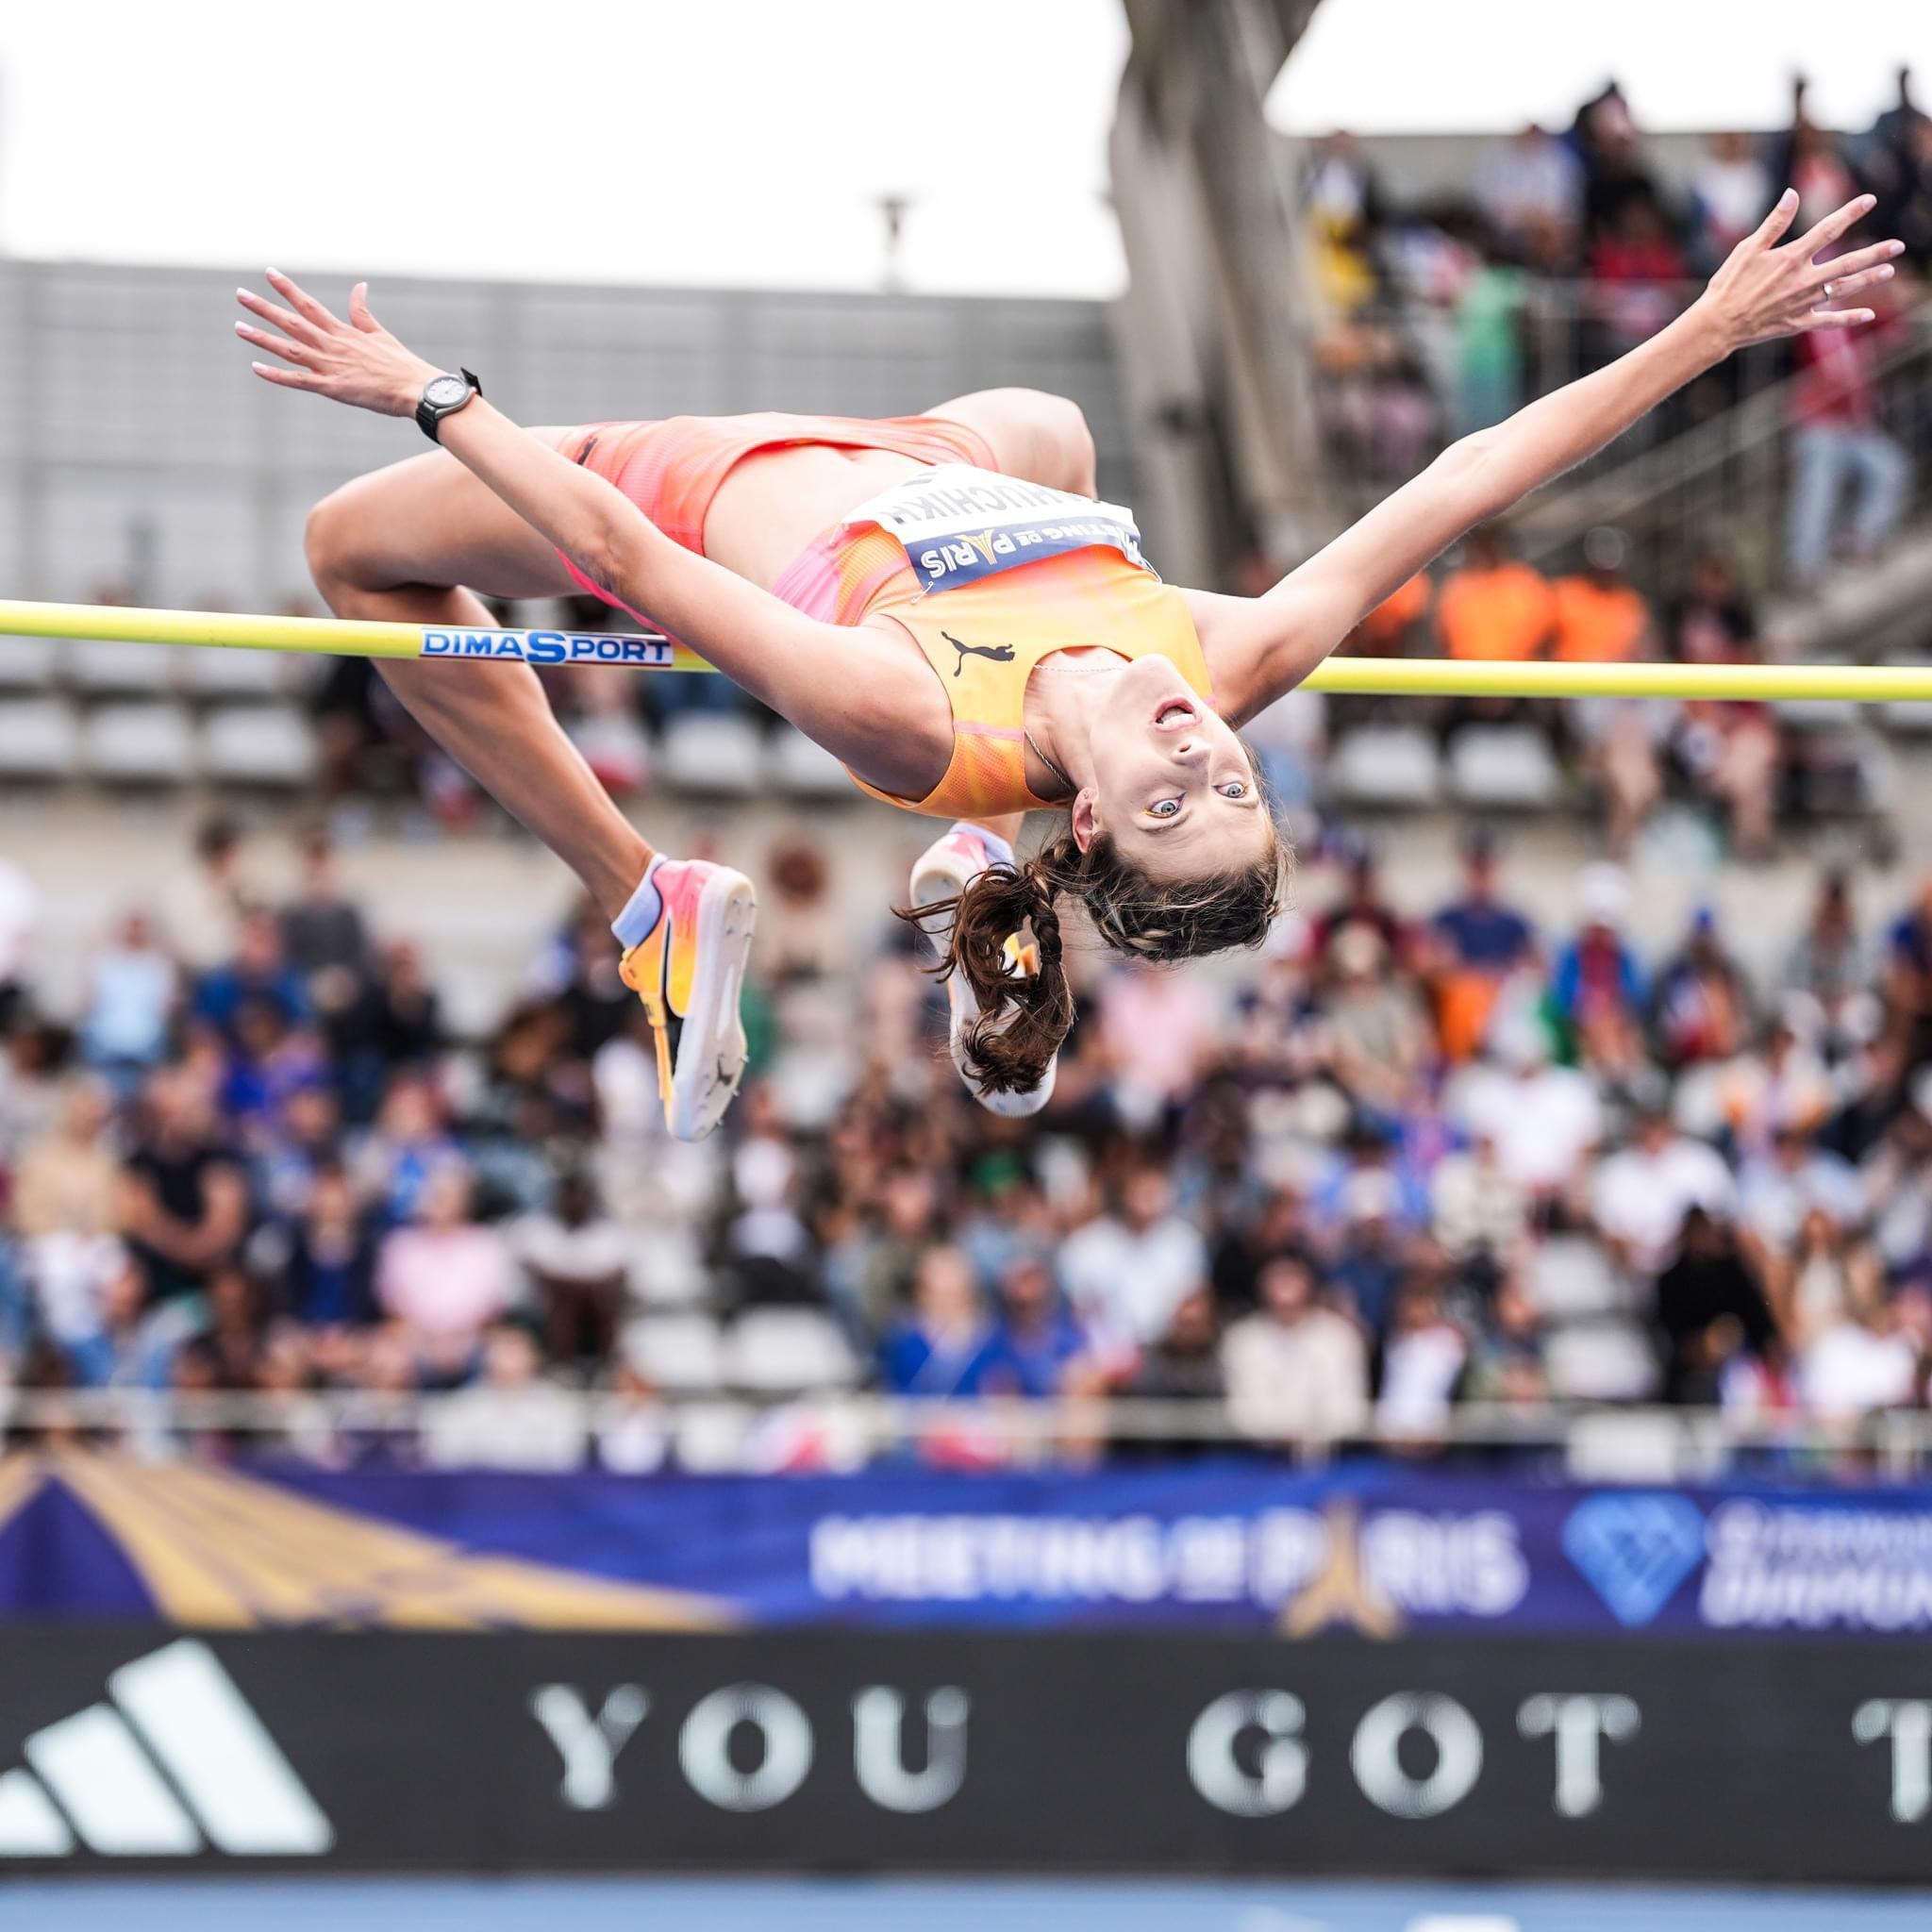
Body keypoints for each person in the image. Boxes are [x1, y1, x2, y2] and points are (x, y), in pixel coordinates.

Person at [232, 194, 1899, 1140]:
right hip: (953, 452)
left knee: (347, 550)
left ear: (1091, 829)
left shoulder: (909, 718)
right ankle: (965, 904)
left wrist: (434, 397)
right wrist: (1701, 331)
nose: (1202, 746)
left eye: (1177, 799)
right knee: (1057, 425)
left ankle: (646, 899)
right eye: (1232, 780)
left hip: (703, 474)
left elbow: (632, 562)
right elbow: (1465, 483)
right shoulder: (1236, 660)